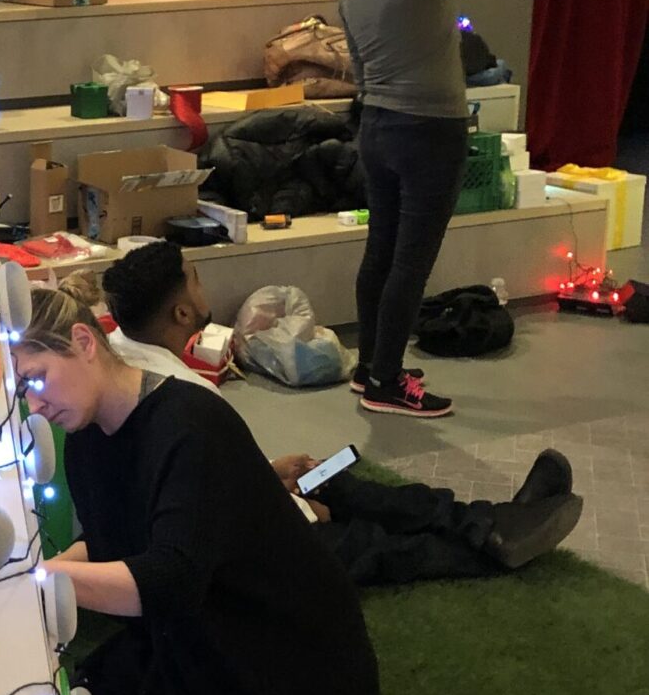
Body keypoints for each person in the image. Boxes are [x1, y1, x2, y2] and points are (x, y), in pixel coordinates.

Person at [16, 285, 384, 695]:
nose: (35, 405)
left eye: (37, 379)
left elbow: (168, 583)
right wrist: (24, 578)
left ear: (84, 342)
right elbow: (112, 543)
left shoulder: (189, 425)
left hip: (276, 654)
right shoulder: (88, 438)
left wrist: (36, 579)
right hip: (195, 633)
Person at [93, 243, 583, 583]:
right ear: (181, 313)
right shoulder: (185, 397)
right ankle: (499, 539)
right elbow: (221, 509)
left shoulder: (121, 357)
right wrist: (299, 510)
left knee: (340, 483)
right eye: (196, 279)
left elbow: (206, 484)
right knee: (373, 542)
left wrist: (271, 475)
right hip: (241, 551)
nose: (204, 287)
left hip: (223, 515)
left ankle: (497, 520)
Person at [336, 0, 566, 419]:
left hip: (377, 130)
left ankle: (370, 367)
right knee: (410, 261)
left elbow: (360, 70)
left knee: (382, 251)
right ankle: (387, 383)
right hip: (428, 135)